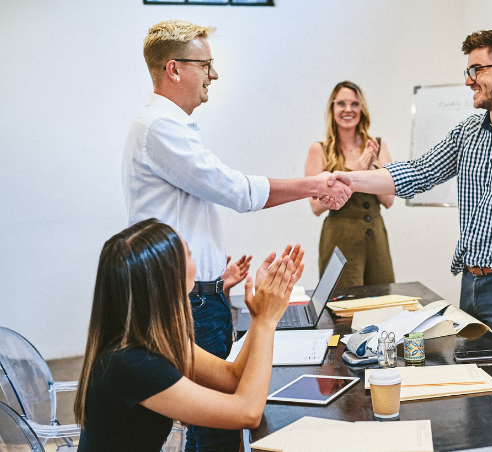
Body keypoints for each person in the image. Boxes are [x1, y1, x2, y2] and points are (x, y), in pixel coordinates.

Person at [123, 20, 351, 451]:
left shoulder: (174, 126)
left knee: (223, 415)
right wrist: (315, 184)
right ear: (173, 69)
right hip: (189, 301)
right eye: (205, 64)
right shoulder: (161, 127)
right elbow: (236, 191)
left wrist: (215, 277)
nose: (214, 74)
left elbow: (191, 207)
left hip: (202, 294)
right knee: (218, 427)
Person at [329, 28, 492, 362]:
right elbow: (419, 172)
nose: (469, 80)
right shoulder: (468, 132)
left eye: (477, 70)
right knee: (476, 393)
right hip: (471, 282)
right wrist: (351, 181)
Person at [74, 219, 303, 452]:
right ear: (167, 279)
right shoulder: (132, 363)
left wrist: (259, 315)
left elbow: (231, 378)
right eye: (189, 255)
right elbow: (247, 412)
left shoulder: (150, 338)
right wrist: (266, 322)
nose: (195, 263)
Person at [305, 81, 395, 287]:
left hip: (376, 238)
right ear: (332, 108)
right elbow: (316, 206)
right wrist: (355, 173)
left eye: (354, 104)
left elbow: (389, 200)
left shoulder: (377, 146)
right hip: (339, 239)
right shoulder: (319, 150)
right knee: (342, 307)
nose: (348, 109)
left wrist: (371, 170)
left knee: (382, 303)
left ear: (362, 109)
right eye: (341, 103)